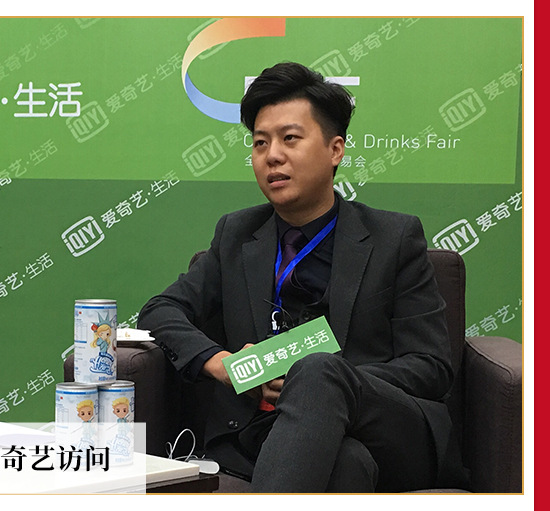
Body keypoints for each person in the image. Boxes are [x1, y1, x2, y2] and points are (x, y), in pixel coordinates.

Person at [137, 62, 463, 492]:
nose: (272, 155)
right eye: (260, 142)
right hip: (267, 433)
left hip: (388, 431)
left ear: (335, 150)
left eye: (290, 138)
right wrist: (225, 365)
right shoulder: (237, 235)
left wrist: (326, 383)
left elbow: (430, 366)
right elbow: (160, 310)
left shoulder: (394, 237)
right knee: (345, 463)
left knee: (319, 374)